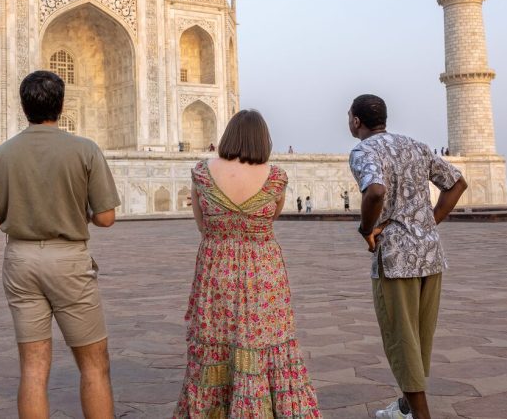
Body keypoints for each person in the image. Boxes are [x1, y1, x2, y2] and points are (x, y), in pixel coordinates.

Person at [0, 71, 120, 419]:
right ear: (61, 104)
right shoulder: (84, 150)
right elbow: (105, 217)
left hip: (21, 260)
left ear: (23, 106)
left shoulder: (1, 155)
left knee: (33, 367)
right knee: (93, 364)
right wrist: (76, 210)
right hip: (69, 260)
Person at [175, 109, 321, 417]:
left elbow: (203, 226)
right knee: (264, 343)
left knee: (217, 340)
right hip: (263, 271)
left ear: (229, 135)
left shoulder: (202, 173)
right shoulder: (276, 177)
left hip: (216, 270)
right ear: (261, 140)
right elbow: (271, 219)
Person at [347, 94, 467, 419]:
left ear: (356, 121)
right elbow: (457, 183)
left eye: (349, 117)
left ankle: (421, 415)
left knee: (402, 339)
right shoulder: (415, 145)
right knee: (419, 337)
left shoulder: (363, 150)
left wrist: (366, 229)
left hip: (397, 258)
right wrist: (429, 221)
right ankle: (404, 407)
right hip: (430, 254)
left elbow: (375, 191)